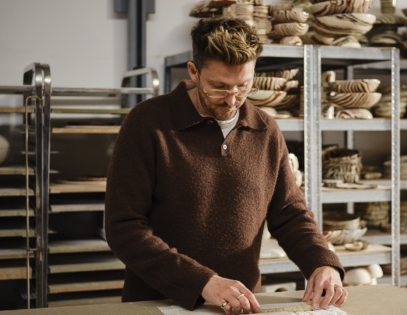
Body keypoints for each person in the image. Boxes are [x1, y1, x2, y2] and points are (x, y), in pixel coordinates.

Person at [105, 17, 346, 315]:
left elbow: (289, 214)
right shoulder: (147, 123)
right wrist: (203, 282)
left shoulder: (265, 129)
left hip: (239, 307)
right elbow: (123, 227)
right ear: (194, 72)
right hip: (159, 303)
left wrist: (321, 261)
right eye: (218, 87)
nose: (232, 100)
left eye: (243, 86)